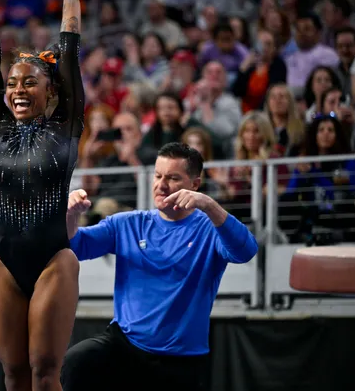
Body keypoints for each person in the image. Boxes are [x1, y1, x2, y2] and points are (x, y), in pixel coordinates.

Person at [0, 0, 85, 391]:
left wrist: (70, 1)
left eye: (29, 82)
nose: (17, 89)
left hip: (54, 259)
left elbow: (69, 56)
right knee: (13, 374)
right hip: (6, 263)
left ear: (50, 90)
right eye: (13, 83)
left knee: (44, 371)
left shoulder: (65, 126)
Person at [61, 142, 259, 391]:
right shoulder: (129, 224)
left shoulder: (210, 229)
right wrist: (70, 215)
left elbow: (246, 251)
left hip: (180, 359)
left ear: (194, 185)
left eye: (173, 178)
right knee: (78, 360)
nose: (161, 185)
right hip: (125, 345)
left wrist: (209, 205)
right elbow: (75, 246)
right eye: (157, 176)